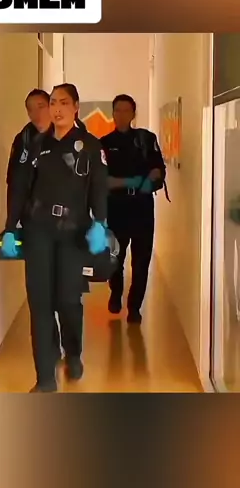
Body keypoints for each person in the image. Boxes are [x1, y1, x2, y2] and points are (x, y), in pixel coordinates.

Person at [1, 83, 109, 392]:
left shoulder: (90, 146)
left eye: (63, 102)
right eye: (52, 102)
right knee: (40, 304)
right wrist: (10, 227)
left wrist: (100, 223)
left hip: (73, 233)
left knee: (67, 300)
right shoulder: (35, 145)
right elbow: (19, 188)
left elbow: (99, 189)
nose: (56, 108)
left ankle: (73, 352)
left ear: (76, 107)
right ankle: (45, 378)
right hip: (38, 231)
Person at [6, 87, 66, 360]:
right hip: (34, 226)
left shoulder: (68, 137)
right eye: (30, 108)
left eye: (41, 106)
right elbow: (15, 185)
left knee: (63, 294)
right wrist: (10, 226)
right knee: (39, 293)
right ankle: (48, 349)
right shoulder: (24, 139)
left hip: (65, 227)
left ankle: (69, 345)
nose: (36, 113)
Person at [101, 94, 166, 324]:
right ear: (112, 113)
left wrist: (142, 182)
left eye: (126, 110)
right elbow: (104, 181)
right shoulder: (104, 144)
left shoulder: (146, 139)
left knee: (141, 261)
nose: (121, 115)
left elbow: (158, 170)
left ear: (133, 114)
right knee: (115, 259)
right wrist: (136, 181)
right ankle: (116, 292)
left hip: (142, 208)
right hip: (116, 208)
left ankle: (134, 307)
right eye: (117, 110)